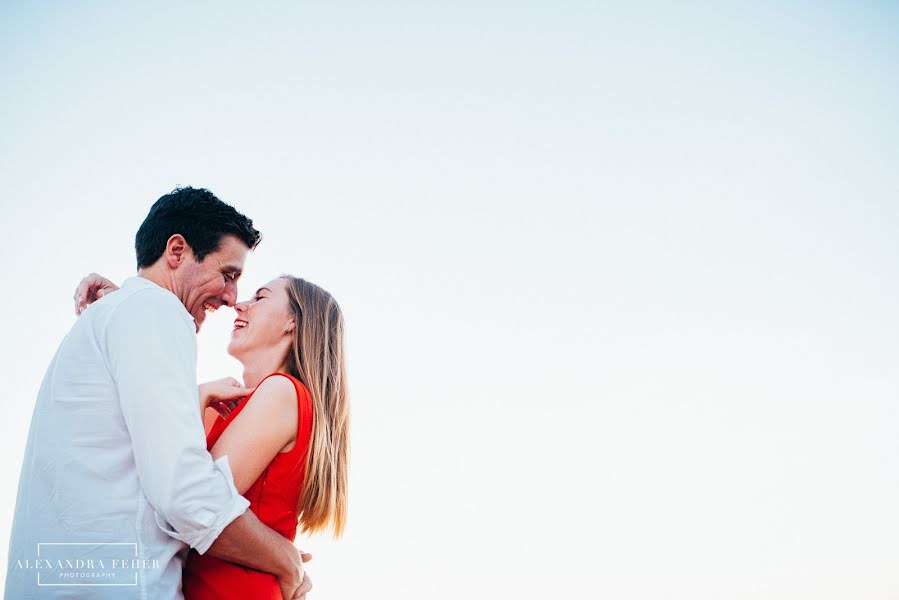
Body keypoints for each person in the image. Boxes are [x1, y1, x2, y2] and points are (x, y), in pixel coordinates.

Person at [5, 188, 312, 600]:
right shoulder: (155, 312)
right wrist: (286, 560)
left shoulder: (123, 315)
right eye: (228, 274)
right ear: (177, 250)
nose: (230, 297)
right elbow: (184, 494)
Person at [75, 272, 350, 599]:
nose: (240, 305)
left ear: (293, 321)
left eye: (260, 298)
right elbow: (154, 468)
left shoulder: (282, 392)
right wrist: (129, 307)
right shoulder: (226, 406)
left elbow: (194, 504)